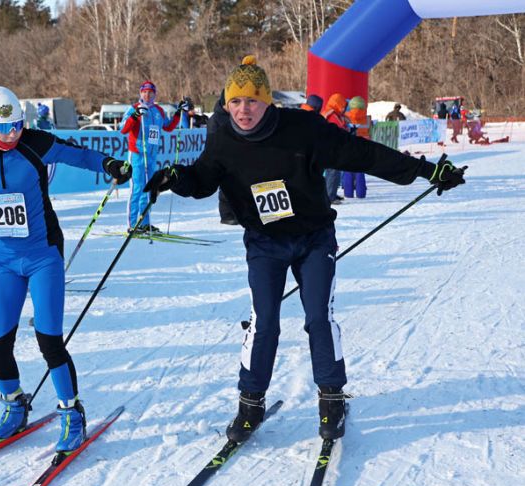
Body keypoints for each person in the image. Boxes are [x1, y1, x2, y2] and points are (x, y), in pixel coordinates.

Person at [143, 55, 466, 442]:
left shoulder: (303, 128)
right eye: (235, 102)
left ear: (267, 101)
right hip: (264, 243)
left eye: (252, 101)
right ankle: (250, 404)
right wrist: (176, 177)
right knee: (264, 321)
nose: (243, 111)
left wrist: (426, 171)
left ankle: (331, 399)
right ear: (226, 104)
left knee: (318, 317)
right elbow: (204, 178)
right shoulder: (223, 136)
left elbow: (361, 154)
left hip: (313, 238)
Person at [0, 86, 131, 453]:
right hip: (4, 258)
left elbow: (77, 155)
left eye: (17, 125)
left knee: (49, 339)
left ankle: (71, 412)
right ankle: (14, 403)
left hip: (43, 254)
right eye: (4, 128)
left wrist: (109, 165)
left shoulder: (35, 143)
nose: (12, 133)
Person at [119, 81, 185, 231]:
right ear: (140, 93)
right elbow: (122, 129)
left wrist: (178, 112)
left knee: (149, 189)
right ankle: (132, 224)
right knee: (137, 189)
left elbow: (168, 127)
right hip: (137, 155)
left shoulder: (158, 111)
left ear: (155, 94)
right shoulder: (134, 108)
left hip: (152, 156)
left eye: (150, 92)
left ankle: (144, 223)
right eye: (144, 92)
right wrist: (135, 116)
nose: (147, 95)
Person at [207, 90, 240, 226]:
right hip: (221, 155)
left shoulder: (235, 116)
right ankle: (226, 214)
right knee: (226, 185)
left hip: (237, 154)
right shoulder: (215, 119)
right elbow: (212, 140)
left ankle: (237, 212)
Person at [321, 93, 349, 203]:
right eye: (342, 105)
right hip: (329, 148)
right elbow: (338, 130)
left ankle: (331, 193)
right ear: (337, 104)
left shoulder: (334, 114)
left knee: (334, 172)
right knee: (333, 172)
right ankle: (330, 196)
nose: (344, 108)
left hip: (331, 147)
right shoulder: (332, 115)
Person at [342, 96, 371, 199]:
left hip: (348, 147)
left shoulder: (345, 117)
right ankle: (361, 193)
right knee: (360, 171)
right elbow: (369, 134)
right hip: (363, 148)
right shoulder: (367, 119)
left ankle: (348, 193)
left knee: (347, 171)